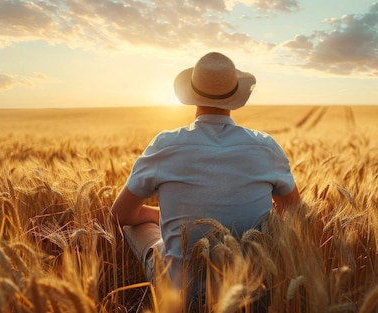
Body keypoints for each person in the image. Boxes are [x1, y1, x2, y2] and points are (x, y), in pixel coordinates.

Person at [110, 52, 301, 307]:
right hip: (251, 291)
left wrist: (161, 217)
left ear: (192, 95)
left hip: (180, 293)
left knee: (135, 226)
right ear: (234, 98)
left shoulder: (166, 144)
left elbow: (119, 215)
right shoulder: (266, 147)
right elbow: (295, 215)